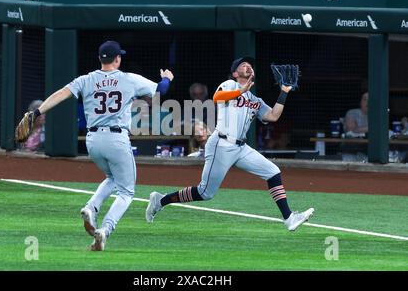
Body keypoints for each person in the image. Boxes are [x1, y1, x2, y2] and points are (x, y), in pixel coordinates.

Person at [19, 40, 174, 251]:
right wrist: (166, 78)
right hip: (117, 139)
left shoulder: (86, 79)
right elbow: (161, 91)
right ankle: (105, 230)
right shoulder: (128, 79)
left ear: (100, 59)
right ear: (117, 59)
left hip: (93, 142)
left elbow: (60, 94)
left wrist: (37, 112)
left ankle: (91, 208)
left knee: (112, 178)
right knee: (127, 192)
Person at [146, 57, 314, 231]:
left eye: (250, 65)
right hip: (221, 144)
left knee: (273, 172)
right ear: (235, 73)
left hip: (241, 148)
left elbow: (273, 116)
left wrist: (284, 91)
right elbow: (217, 97)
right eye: (243, 65)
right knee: (205, 193)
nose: (248, 67)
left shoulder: (255, 100)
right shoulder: (229, 85)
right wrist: (240, 90)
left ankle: (289, 218)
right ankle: (161, 200)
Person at [342, 92, 368, 162]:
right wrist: (372, 128)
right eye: (365, 99)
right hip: (351, 151)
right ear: (360, 102)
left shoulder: (377, 115)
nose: (367, 102)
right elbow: (352, 130)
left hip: (369, 152)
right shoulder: (353, 112)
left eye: (370, 100)